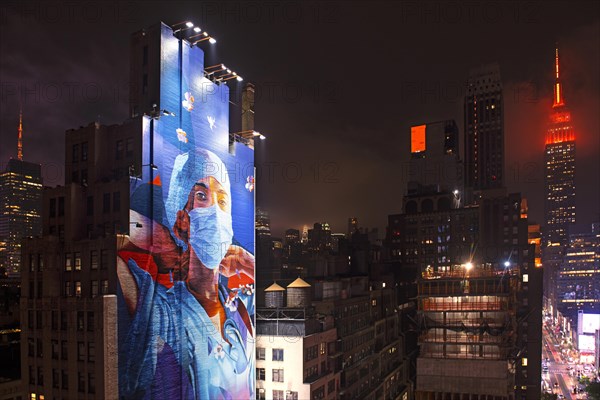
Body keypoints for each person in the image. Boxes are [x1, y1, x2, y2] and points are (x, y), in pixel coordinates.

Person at [117, 148, 255, 399]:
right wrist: (162, 241)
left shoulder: (241, 304)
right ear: (182, 218)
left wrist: (250, 264)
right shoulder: (164, 312)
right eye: (202, 195)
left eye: (222, 201)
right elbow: (119, 225)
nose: (215, 210)